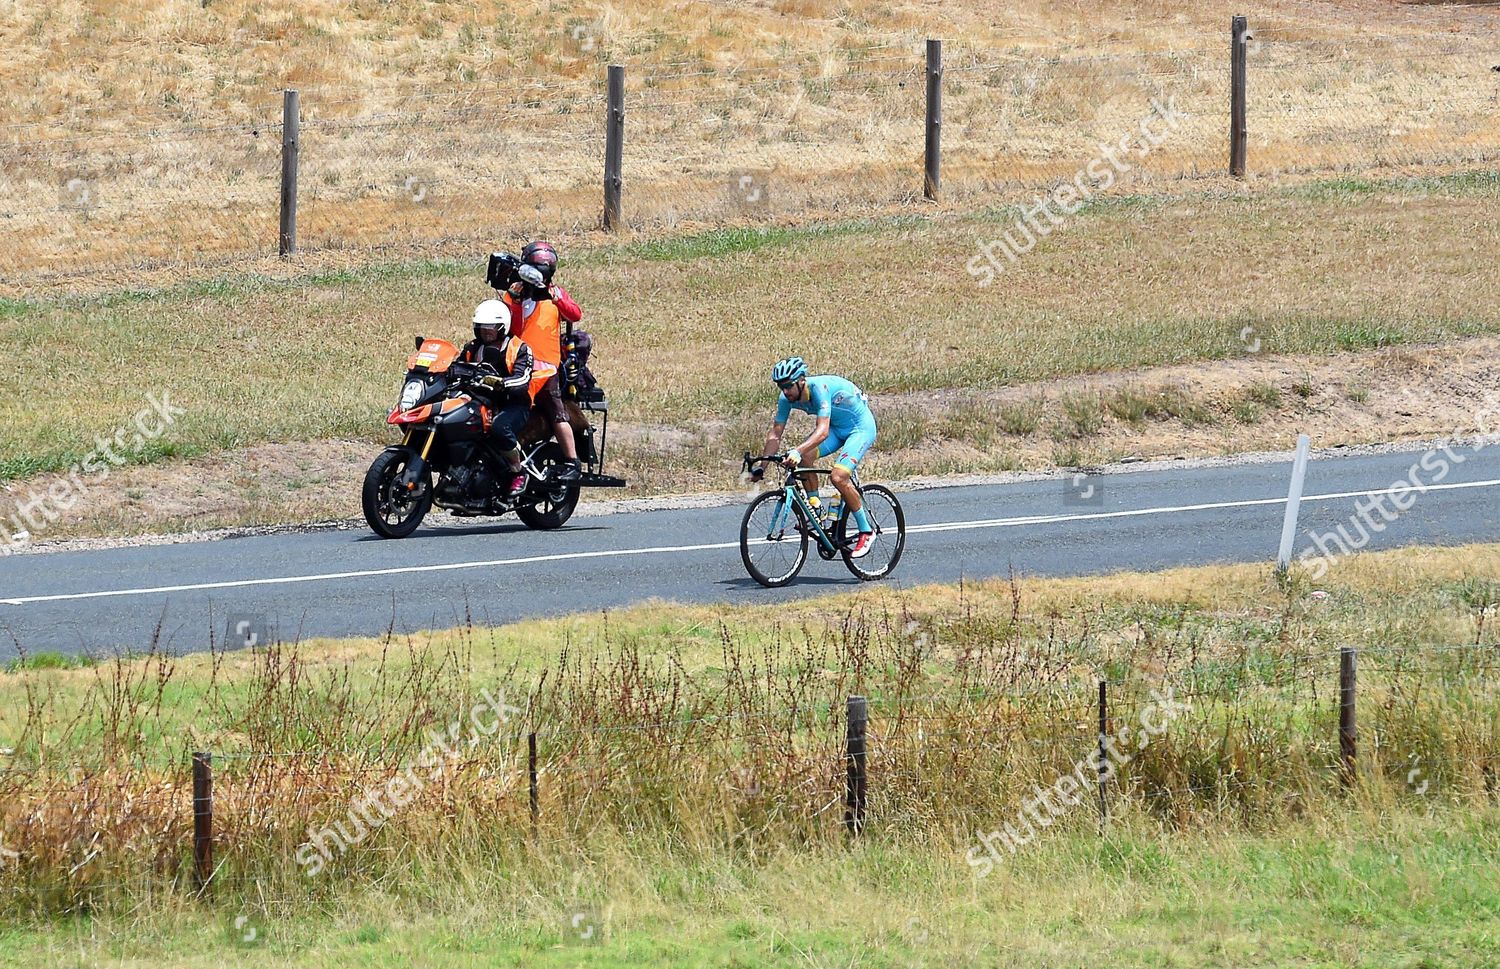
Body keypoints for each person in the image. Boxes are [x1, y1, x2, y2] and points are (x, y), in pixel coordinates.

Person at [752, 357, 880, 558]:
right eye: (780, 387)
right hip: (837, 429)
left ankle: (866, 531)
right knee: (805, 459)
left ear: (801, 380)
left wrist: (797, 450)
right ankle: (817, 509)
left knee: (838, 477)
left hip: (860, 428)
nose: (785, 391)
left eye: (788, 386)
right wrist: (762, 467)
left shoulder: (820, 388)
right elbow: (775, 434)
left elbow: (822, 431)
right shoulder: (786, 398)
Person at [505, 260, 582, 482]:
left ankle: (572, 462)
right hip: (517, 364)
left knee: (556, 412)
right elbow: (513, 328)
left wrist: (554, 296)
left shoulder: (555, 293)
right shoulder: (514, 294)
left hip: (546, 367)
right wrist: (516, 300)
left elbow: (575, 314)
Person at [460, 299, 537, 497]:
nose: (486, 332)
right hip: (481, 400)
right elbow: (457, 366)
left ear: (502, 327)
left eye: (491, 328)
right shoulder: (473, 348)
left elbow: (523, 379)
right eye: (481, 327)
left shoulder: (519, 348)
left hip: (513, 404)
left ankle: (517, 472)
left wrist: (500, 383)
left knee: (499, 428)